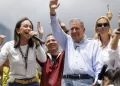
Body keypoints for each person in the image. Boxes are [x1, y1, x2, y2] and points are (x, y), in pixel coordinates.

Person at [49, 0, 102, 86]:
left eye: (77, 28)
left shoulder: (94, 44)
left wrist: (97, 81)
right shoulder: (67, 41)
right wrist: (52, 11)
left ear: (83, 30)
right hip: (67, 82)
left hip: (87, 82)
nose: (74, 31)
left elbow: (98, 64)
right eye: (72, 29)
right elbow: (56, 30)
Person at [0, 17, 46, 86]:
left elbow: (43, 59)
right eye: (25, 26)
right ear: (18, 30)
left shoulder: (34, 45)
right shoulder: (9, 45)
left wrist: (37, 43)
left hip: (33, 83)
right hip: (14, 83)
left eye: (30, 27)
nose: (29, 28)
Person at [36, 21, 65, 86]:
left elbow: (69, 46)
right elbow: (37, 52)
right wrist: (40, 36)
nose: (51, 42)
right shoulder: (44, 58)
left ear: (58, 42)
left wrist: (61, 31)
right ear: (45, 44)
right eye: (48, 41)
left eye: (53, 40)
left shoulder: (63, 56)